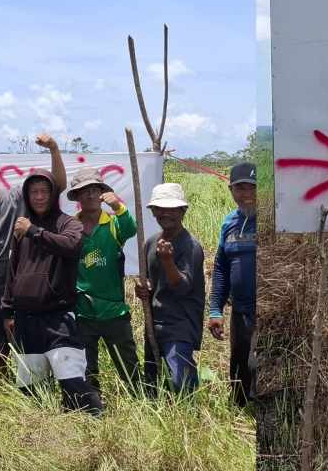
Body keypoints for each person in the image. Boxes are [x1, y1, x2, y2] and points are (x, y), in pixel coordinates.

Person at [0, 134, 66, 377]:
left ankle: (33, 400)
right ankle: (1, 403)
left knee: (31, 351)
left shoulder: (19, 197)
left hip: (26, 288)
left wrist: (54, 149)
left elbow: (57, 185)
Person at [1, 169, 103, 415]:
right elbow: (12, 271)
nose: (38, 197)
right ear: (27, 195)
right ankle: (39, 434)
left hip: (58, 317)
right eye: (33, 192)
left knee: (72, 380)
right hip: (25, 319)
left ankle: (96, 423)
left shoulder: (68, 223)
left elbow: (71, 246)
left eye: (44, 191)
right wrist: (7, 309)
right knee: (31, 387)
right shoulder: (21, 228)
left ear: (53, 194)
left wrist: (34, 232)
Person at [70, 166, 141, 394]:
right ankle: (93, 408)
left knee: (128, 365)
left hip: (114, 311)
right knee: (87, 367)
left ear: (102, 193)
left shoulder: (112, 222)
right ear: (77, 196)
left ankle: (139, 403)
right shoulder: (71, 227)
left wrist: (118, 206)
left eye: (95, 189)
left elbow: (131, 229)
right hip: (83, 311)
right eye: (84, 190)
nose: (90, 194)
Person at [136, 182, 206, 395]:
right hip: (155, 321)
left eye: (172, 209)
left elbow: (183, 288)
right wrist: (142, 289)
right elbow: (148, 282)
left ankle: (190, 420)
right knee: (153, 382)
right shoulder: (150, 243)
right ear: (153, 211)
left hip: (180, 322)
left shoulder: (190, 246)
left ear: (182, 211)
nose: (165, 214)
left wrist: (167, 261)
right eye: (160, 209)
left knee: (179, 380)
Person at [208, 161, 258, 406]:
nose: (247, 194)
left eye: (253, 188)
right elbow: (221, 268)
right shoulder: (229, 223)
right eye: (241, 188)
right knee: (240, 368)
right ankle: (240, 412)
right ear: (231, 190)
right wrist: (216, 310)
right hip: (240, 313)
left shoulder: (276, 220)